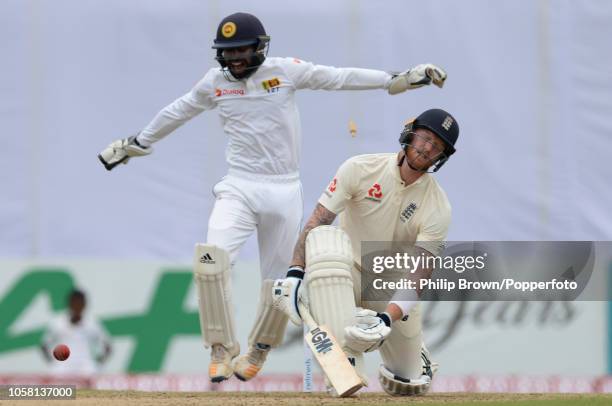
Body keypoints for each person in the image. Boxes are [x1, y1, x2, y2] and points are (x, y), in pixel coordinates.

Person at [98, 12, 448, 383]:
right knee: (211, 261)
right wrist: (137, 144)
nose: (235, 59)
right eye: (228, 52)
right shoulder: (215, 83)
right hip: (239, 185)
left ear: (260, 48)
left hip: (283, 190)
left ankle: (260, 348)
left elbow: (338, 77)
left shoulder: (284, 71)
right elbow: (178, 110)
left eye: (242, 51)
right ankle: (220, 347)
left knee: (279, 283)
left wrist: (398, 80)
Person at [272, 108, 459, 396]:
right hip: (345, 272)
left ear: (441, 158)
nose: (426, 148)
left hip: (390, 286)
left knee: (408, 385)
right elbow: (317, 221)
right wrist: (295, 273)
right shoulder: (359, 168)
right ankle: (343, 368)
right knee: (324, 241)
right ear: (411, 133)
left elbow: (419, 275)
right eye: (424, 137)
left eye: (437, 146)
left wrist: (388, 318)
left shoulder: (439, 206)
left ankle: (414, 360)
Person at [41, 289, 112, 375]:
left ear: (85, 304)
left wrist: (98, 364)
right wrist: (53, 363)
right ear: (69, 303)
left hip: (85, 365)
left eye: (80, 303)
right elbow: (44, 345)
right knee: (54, 372)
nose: (77, 306)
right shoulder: (58, 322)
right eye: (75, 302)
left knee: (93, 372)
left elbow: (107, 346)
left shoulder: (92, 323)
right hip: (63, 364)